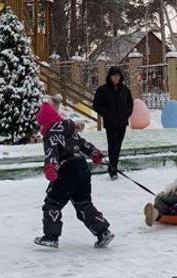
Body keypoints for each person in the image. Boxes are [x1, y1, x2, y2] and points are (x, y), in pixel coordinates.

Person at [34, 102, 115, 249]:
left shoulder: (51, 134)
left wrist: (50, 168)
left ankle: (51, 237)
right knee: (83, 203)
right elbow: (83, 144)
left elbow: (51, 153)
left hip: (67, 169)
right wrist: (95, 154)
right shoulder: (69, 129)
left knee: (52, 202)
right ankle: (103, 232)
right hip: (82, 167)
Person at [93, 66, 133, 180]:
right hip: (111, 123)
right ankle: (112, 169)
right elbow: (96, 105)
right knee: (112, 145)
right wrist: (107, 114)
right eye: (114, 76)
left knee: (118, 145)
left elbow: (130, 104)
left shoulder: (125, 89)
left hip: (122, 122)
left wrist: (126, 113)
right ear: (109, 77)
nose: (116, 78)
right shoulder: (102, 90)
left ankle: (114, 165)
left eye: (118, 76)